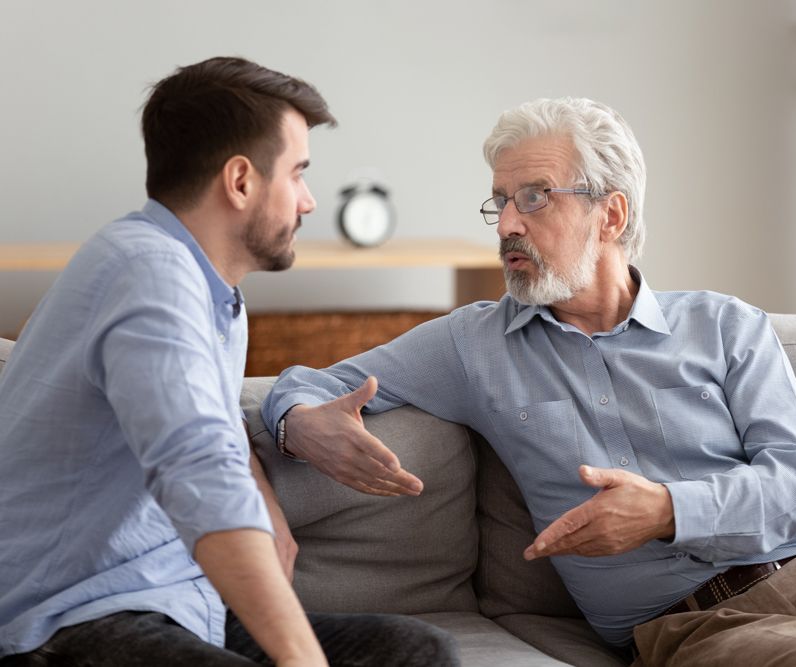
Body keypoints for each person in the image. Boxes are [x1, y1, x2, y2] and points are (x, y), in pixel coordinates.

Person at [260, 96, 796, 665]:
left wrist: (667, 510)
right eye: (502, 200)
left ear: (611, 214)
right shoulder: (473, 342)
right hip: (694, 623)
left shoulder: (723, 325)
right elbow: (299, 384)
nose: (507, 224)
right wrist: (298, 420)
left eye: (536, 196)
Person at [0, 57, 457, 667]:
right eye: (297, 174)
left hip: (181, 608)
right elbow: (197, 471)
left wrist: (265, 500)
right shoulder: (147, 273)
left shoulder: (215, 295)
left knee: (415, 651)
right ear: (241, 181)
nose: (310, 202)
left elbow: (205, 422)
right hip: (65, 622)